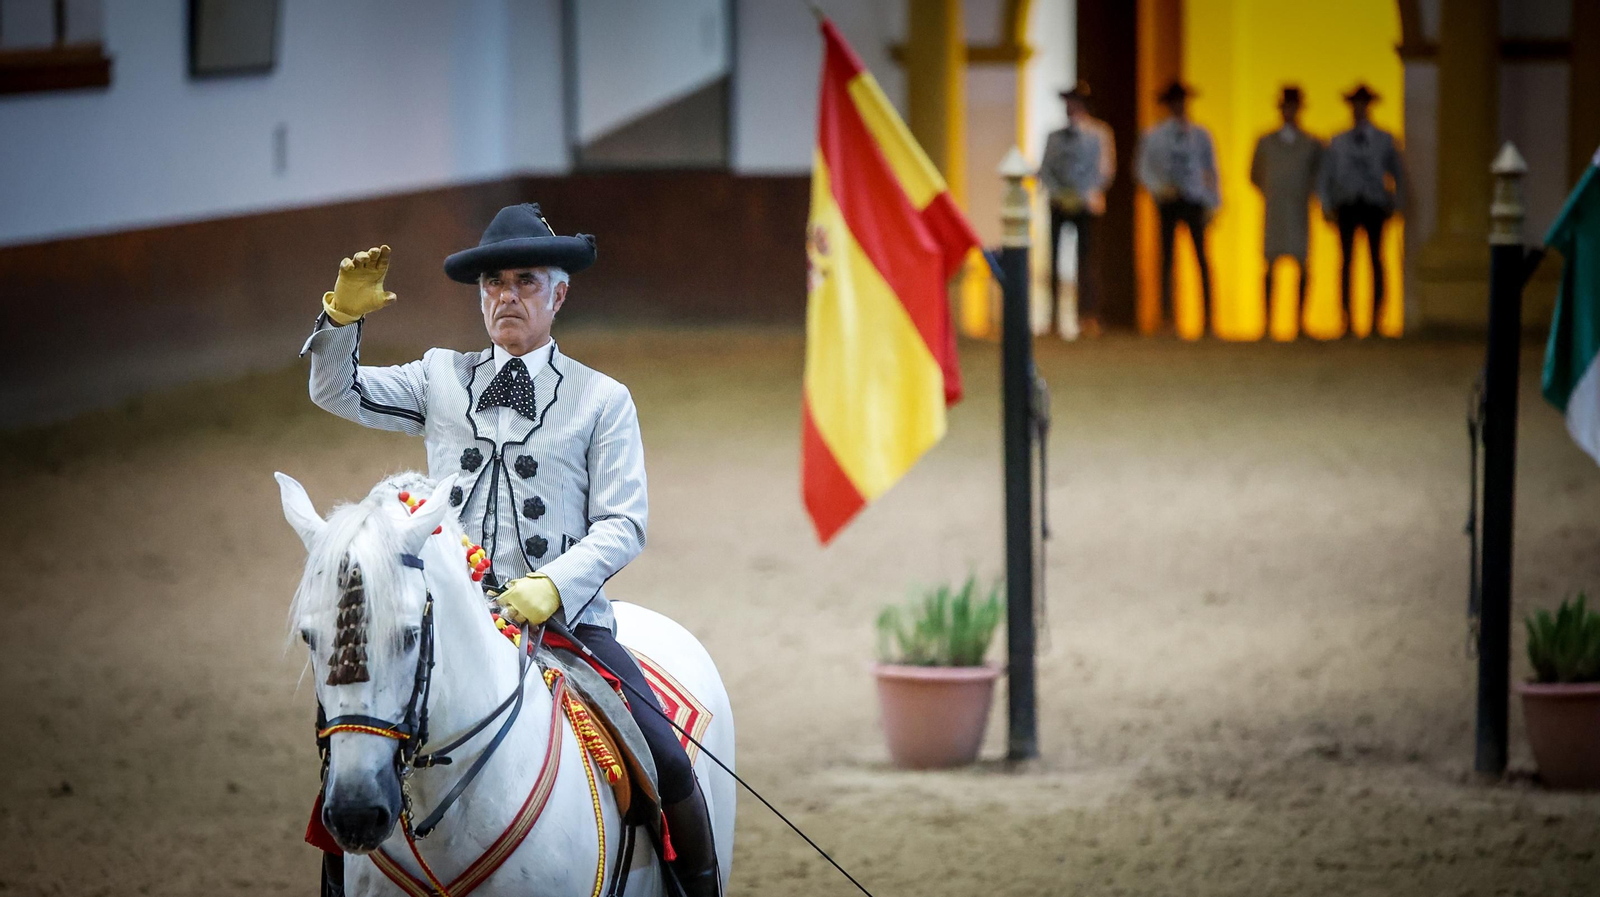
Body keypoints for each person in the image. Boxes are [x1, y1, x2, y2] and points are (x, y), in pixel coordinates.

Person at [302, 203, 721, 897]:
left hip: (566, 627)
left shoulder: (601, 400)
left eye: (526, 281)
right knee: (350, 761)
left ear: (559, 293)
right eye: (494, 283)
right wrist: (341, 321)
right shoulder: (441, 377)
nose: (507, 296)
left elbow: (623, 522)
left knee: (667, 760)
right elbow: (333, 389)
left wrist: (553, 586)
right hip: (453, 627)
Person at [1318, 83, 1407, 337]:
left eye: (1362, 104)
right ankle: (1347, 320)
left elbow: (1398, 174)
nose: (1359, 109)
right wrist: (1326, 204)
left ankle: (1376, 320)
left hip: (1374, 205)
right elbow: (1325, 176)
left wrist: (1396, 204)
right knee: (1346, 262)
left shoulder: (1384, 139)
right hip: (1346, 205)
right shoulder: (1338, 141)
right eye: (1355, 104)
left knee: (1376, 261)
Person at [1136, 81, 1220, 335]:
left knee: (1201, 259)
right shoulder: (1154, 135)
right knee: (1167, 260)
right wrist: (1160, 189)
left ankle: (1208, 321)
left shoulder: (1201, 135)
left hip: (1194, 201)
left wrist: (1213, 202)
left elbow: (1211, 170)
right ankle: (1167, 318)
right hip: (1169, 202)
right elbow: (1143, 169)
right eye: (1174, 101)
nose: (1178, 106)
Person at [1038, 80, 1116, 337]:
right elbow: (1045, 169)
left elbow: (1103, 170)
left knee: (1087, 261)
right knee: (1054, 259)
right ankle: (1052, 318)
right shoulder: (1054, 136)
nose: (1071, 106)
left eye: (1075, 102)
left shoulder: (1099, 133)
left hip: (1086, 204)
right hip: (1059, 202)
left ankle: (1089, 315)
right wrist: (1061, 193)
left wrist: (1079, 195)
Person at [1250, 86, 1325, 334]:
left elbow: (1319, 176)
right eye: (1286, 107)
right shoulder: (1266, 142)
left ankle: (1299, 323)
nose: (1289, 111)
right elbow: (1255, 175)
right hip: (1275, 210)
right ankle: (1268, 323)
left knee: (1301, 263)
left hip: (1298, 209)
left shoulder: (1311, 144)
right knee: (1271, 263)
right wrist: (1273, 192)